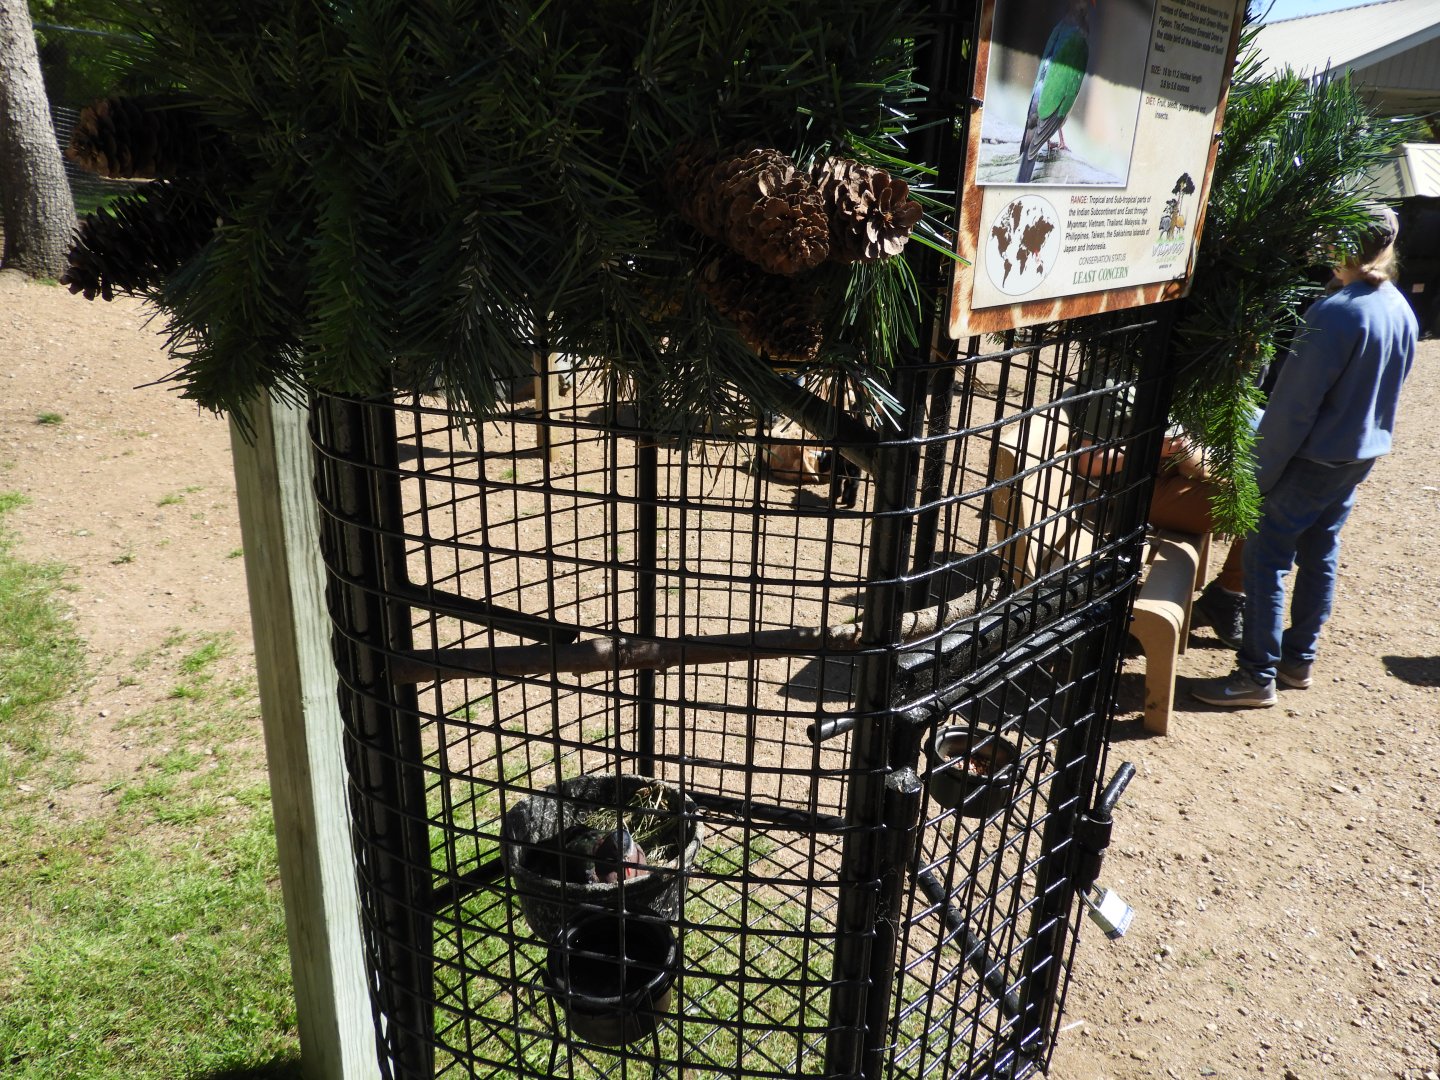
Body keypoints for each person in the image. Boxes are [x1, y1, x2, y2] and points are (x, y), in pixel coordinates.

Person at [1192, 203, 1419, 708]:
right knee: (1321, 551)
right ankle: (1298, 661)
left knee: (1265, 559)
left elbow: (1293, 409)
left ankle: (1255, 676)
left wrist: (1258, 476)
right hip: (1358, 456)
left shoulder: (1335, 311)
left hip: (1311, 458)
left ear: (1343, 245)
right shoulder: (1399, 307)